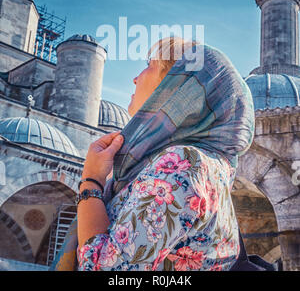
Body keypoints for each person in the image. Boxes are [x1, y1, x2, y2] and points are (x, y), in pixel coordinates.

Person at [51, 37, 255, 271]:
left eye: (150, 64)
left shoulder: (184, 163)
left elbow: (108, 271)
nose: (135, 78)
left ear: (175, 86)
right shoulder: (208, 166)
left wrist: (91, 181)